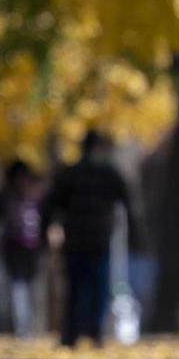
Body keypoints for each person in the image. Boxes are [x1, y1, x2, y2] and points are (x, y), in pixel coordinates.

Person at [42, 131, 132, 347]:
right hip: (99, 238)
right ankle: (94, 332)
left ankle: (71, 334)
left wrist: (47, 230)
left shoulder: (70, 174)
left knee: (75, 288)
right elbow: (129, 202)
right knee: (97, 289)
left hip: (75, 239)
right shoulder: (108, 173)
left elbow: (50, 205)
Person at [0, 160, 44, 336]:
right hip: (14, 245)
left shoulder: (35, 196)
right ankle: (22, 326)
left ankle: (31, 325)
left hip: (32, 246)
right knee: (18, 285)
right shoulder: (8, 196)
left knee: (30, 285)